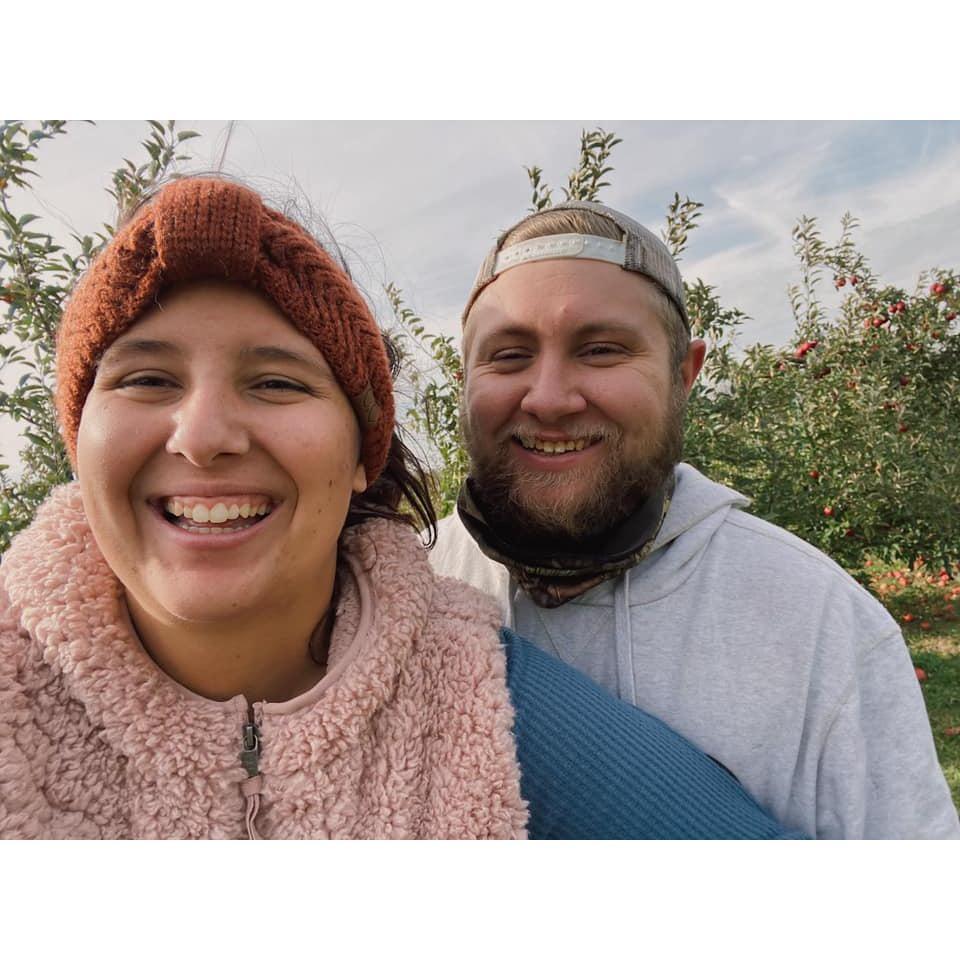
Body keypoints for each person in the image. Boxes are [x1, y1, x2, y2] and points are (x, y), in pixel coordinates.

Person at [0, 177, 804, 840]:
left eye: (277, 381)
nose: (204, 436)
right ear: (78, 438)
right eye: (145, 379)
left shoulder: (493, 710)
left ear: (361, 457)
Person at [430, 200, 960, 840]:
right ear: (464, 382)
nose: (547, 397)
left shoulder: (820, 624)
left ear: (685, 375)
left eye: (600, 350)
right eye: (508, 356)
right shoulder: (400, 593)